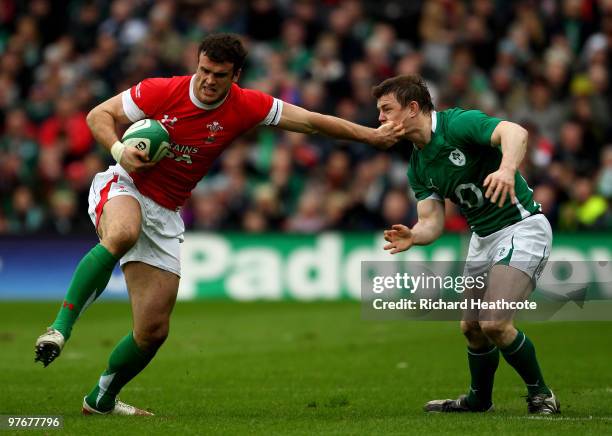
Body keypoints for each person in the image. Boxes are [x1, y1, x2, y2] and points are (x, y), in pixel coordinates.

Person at [34, 33, 405, 416]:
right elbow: (98, 115)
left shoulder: (246, 104)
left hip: (166, 214)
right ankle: (60, 328)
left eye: (220, 74)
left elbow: (311, 122)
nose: (209, 80)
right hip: (124, 185)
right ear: (197, 63)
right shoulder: (161, 91)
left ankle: (101, 400)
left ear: (236, 75)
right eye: (204, 70)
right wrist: (119, 151)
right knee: (123, 233)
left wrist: (371, 136)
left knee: (152, 332)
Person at [376, 75, 559, 415]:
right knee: (472, 327)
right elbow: (433, 221)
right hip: (482, 238)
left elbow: (515, 132)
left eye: (387, 110)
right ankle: (479, 401)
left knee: (494, 322)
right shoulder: (418, 165)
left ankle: (542, 394)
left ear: (412, 108)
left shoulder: (458, 124)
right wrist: (415, 235)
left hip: (521, 227)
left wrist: (506, 170)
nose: (381, 119)